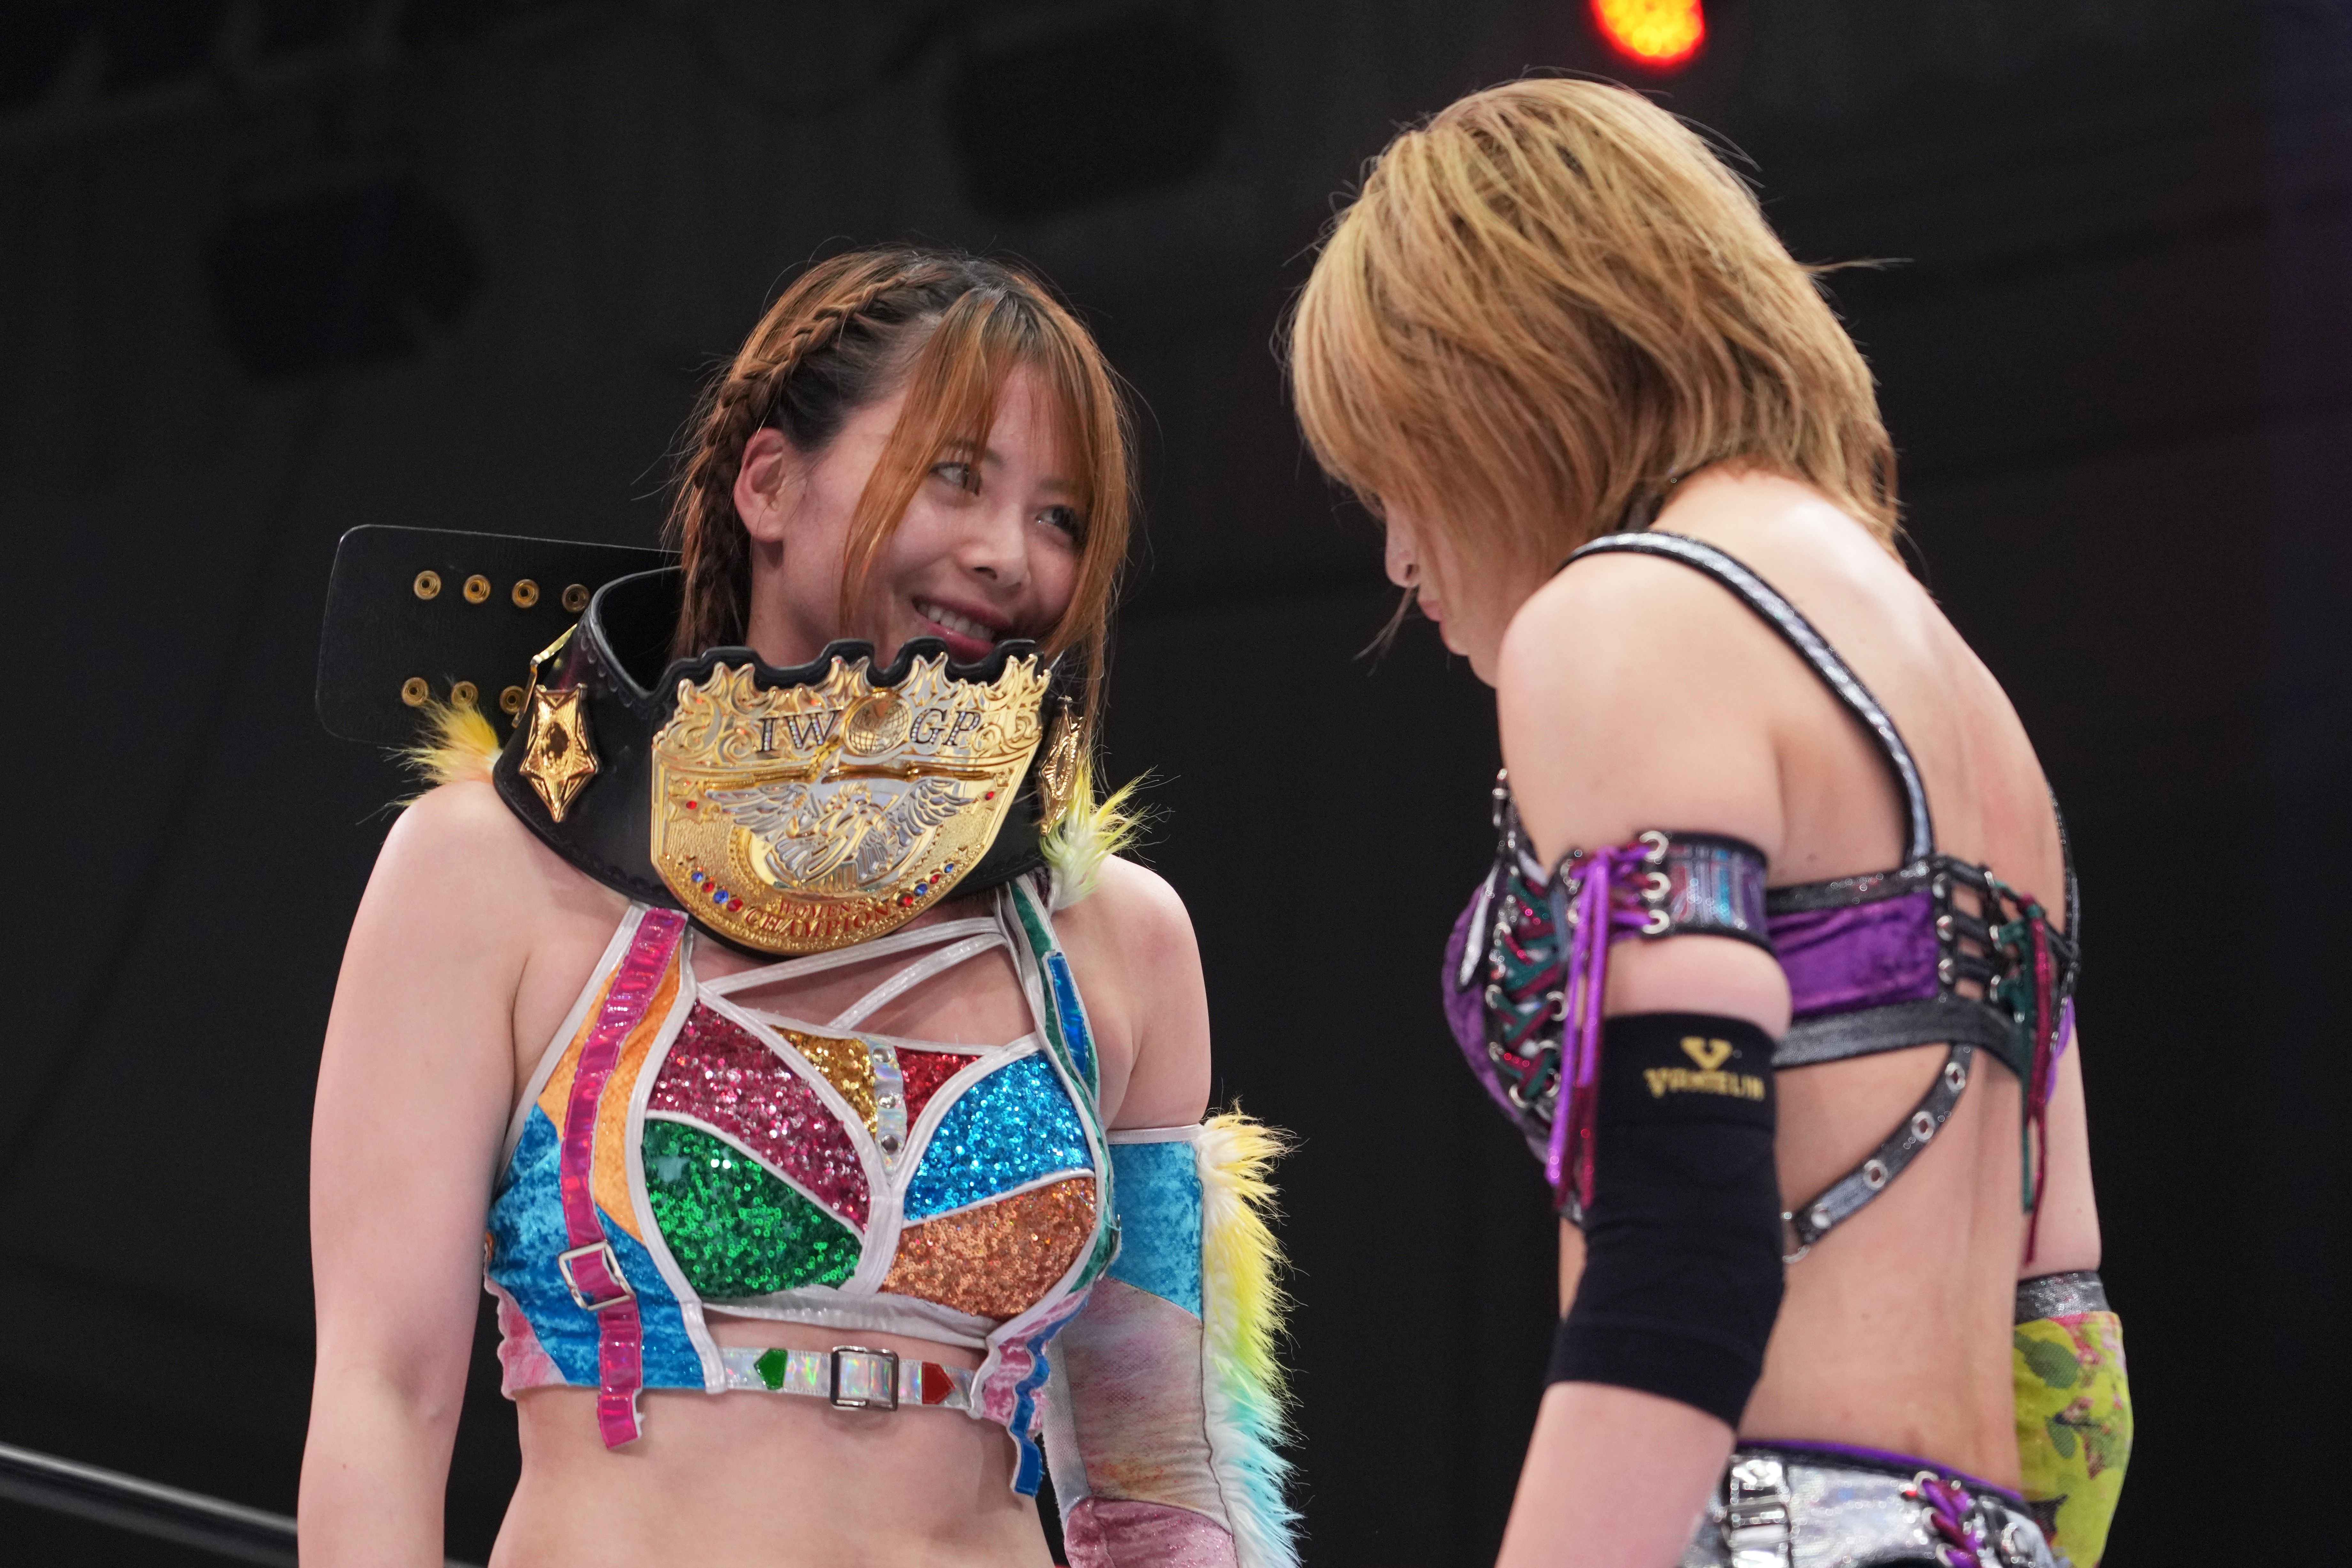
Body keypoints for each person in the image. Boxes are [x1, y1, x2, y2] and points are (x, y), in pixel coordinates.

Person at [302, 246, 1297, 1568]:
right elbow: (385, 1392)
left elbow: (1164, 1477)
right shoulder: (484, 867)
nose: (1009, 556)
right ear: (769, 482)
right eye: (956, 476)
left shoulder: (1118, 937)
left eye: (1060, 519)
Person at [1288, 82, 2131, 1568]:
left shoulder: (1625, 617)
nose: (1401, 558)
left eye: (1394, 476)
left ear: (1496, 388)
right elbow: (2072, 1366)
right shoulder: (1967, 702)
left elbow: (1683, 1252)